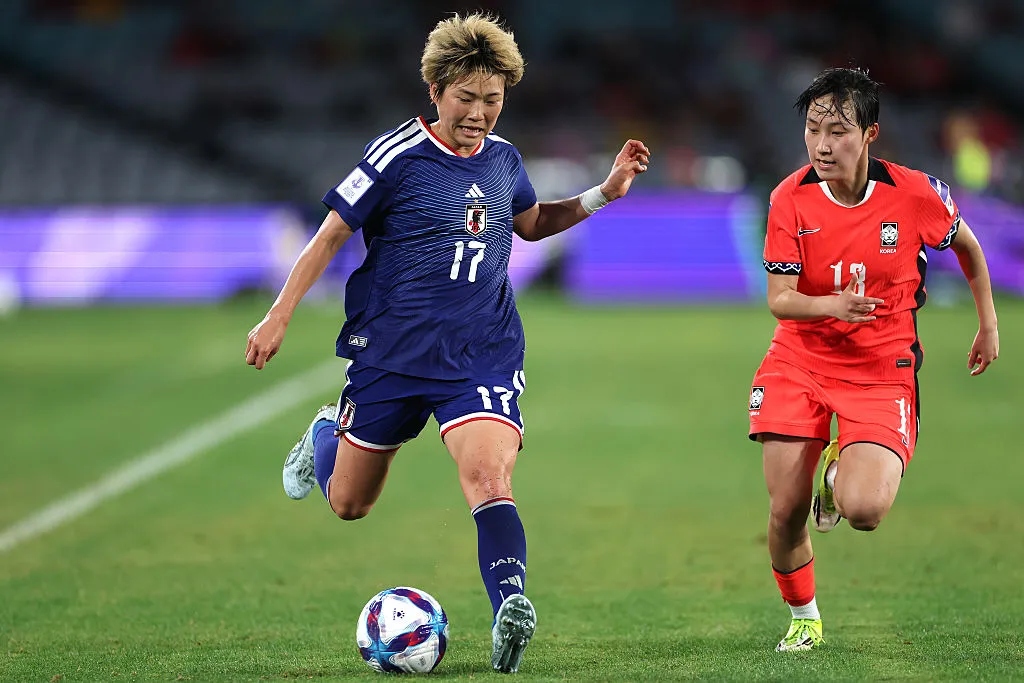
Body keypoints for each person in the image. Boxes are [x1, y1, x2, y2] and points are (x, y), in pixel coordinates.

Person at [243, 12, 649, 674]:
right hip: (392, 353)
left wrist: (604, 193)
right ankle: (324, 432)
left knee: (488, 477)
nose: (480, 113)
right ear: (435, 90)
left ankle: (510, 605)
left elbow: (531, 223)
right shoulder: (395, 156)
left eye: (493, 99)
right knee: (349, 503)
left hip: (479, 352)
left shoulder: (504, 159)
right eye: (467, 98)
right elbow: (330, 234)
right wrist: (278, 315)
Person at [748, 67, 999, 652]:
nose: (821, 144)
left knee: (863, 510)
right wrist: (832, 305)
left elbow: (966, 245)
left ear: (869, 134)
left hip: (882, 368)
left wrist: (988, 323)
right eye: (812, 130)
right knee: (785, 511)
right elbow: (780, 299)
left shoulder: (913, 194)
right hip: (800, 359)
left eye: (837, 131)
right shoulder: (789, 198)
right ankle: (804, 618)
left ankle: (838, 474)